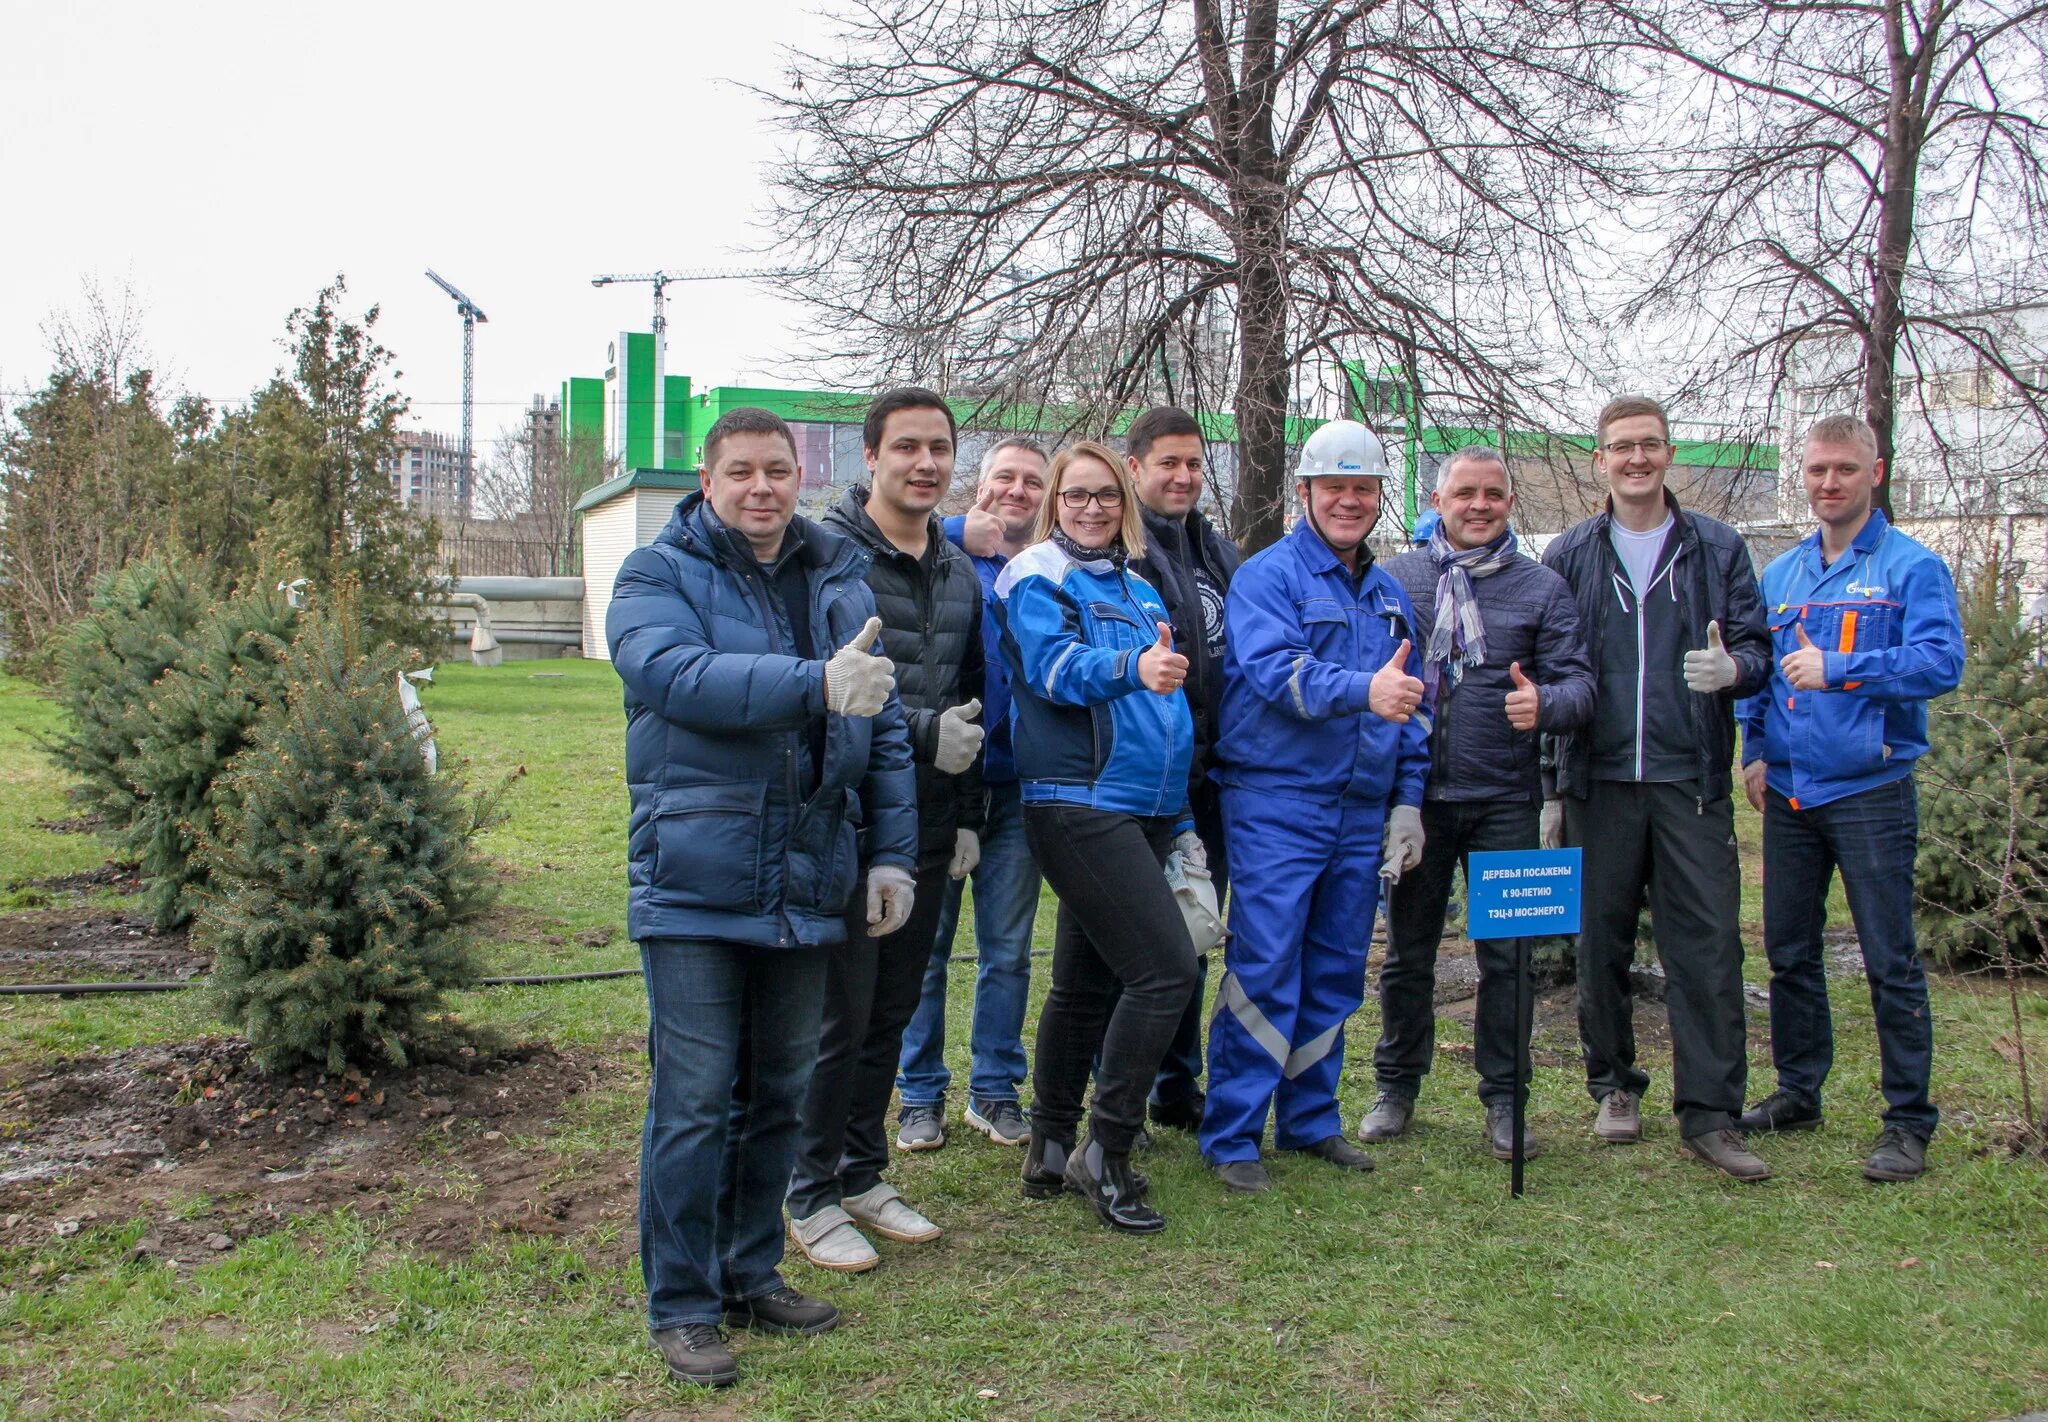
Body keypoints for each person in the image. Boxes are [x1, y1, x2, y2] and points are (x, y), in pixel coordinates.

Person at [607, 407, 918, 1388]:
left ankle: (750, 1271)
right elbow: (675, 676)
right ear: (706, 482)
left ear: (799, 475)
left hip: (806, 875)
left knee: (779, 1092)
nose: (760, 488)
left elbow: (886, 726)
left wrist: (891, 857)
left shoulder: (835, 577)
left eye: (776, 470)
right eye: (738, 471)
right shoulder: (654, 576)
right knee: (695, 1103)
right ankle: (683, 1303)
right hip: (696, 882)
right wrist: (814, 685)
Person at [1540, 395, 1775, 1181]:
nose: (1636, 459)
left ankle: (1711, 1113)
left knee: (1705, 949)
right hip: (1597, 781)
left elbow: (1756, 647)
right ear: (1598, 460)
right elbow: (1550, 671)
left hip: (1690, 782)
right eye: (1620, 447)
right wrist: (1549, 787)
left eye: (1649, 445)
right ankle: (1614, 1086)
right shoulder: (1570, 554)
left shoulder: (1716, 549)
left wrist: (1734, 670)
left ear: (1670, 454)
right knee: (1599, 944)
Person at [1199, 419, 1432, 1192]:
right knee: (1264, 965)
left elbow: (1414, 708)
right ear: (1305, 493)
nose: (1349, 501)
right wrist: (1365, 690)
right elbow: (1275, 673)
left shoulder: (1390, 590)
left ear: (1377, 498)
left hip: (1361, 809)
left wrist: (1407, 801)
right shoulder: (1267, 577)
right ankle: (1233, 1135)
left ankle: (1309, 1122)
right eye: (1334, 487)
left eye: (1362, 489)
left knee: (1335, 969)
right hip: (1279, 801)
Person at [787, 387, 987, 1273]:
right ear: (869, 458)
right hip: (847, 820)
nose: (925, 463)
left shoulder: (958, 569)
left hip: (933, 824)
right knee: (841, 1013)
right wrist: (918, 736)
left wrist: (971, 815)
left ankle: (863, 1172)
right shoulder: (826, 559)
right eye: (906, 446)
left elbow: (969, 707)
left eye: (939, 447)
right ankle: (808, 1192)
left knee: (893, 1010)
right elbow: (821, 690)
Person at [1736, 415, 1963, 1182]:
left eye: (1843, 469)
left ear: (1875, 471)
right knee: (1790, 951)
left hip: (1871, 789)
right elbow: (1762, 675)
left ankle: (1907, 1122)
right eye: (1815, 470)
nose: (1827, 483)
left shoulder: (1911, 568)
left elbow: (1941, 663)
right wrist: (1756, 752)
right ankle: (1801, 1090)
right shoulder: (1784, 574)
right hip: (1792, 794)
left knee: (1888, 958)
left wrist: (1842, 667)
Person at [1366, 446, 1596, 1160]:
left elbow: (1581, 687)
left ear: (1509, 504)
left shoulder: (1542, 588)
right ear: (1437, 502)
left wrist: (1546, 703)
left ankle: (1505, 1097)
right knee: (1409, 955)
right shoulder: (1398, 579)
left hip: (1505, 799)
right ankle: (1397, 1086)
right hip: (1419, 800)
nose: (1478, 506)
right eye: (1464, 493)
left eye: (1493, 494)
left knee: (1506, 957)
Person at [996, 439, 1199, 1233]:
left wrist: (1180, 819)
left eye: (1106, 496)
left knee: (1086, 983)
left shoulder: (1141, 587)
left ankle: (1049, 1143)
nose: (1091, 508)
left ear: (1126, 506)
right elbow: (1051, 669)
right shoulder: (1036, 575)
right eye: (1076, 495)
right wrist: (1130, 668)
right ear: (1054, 502)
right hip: (1075, 800)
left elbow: (1168, 710)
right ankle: (1105, 1148)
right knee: (1165, 971)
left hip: (1145, 807)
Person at [895, 437, 1051, 1150]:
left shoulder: (1048, 570)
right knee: (924, 950)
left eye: (1031, 482)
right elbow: (872, 539)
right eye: (1004, 478)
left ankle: (994, 1091)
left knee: (1009, 950)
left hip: (1016, 790)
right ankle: (918, 1093)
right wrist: (956, 530)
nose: (1017, 491)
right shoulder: (942, 556)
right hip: (941, 781)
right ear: (976, 485)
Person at [1124, 406, 1243, 1134]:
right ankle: (1121, 1093)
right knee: (1138, 945)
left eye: (1194, 463)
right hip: (1143, 780)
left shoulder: (1219, 552)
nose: (1183, 476)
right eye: (1168, 462)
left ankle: (1176, 1084)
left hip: (1212, 779)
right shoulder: (1119, 547)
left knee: (1195, 930)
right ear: (1134, 467)